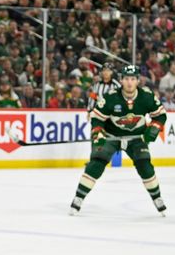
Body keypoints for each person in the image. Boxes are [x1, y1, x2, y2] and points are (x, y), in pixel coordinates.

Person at [70, 64, 167, 215]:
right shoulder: (110, 97)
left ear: (137, 81)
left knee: (145, 165)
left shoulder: (146, 97)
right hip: (111, 136)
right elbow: (97, 118)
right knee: (97, 162)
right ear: (121, 80)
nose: (129, 82)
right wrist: (98, 132)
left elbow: (161, 115)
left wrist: (154, 128)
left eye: (133, 79)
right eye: (126, 79)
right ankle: (78, 198)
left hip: (136, 138)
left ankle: (157, 198)